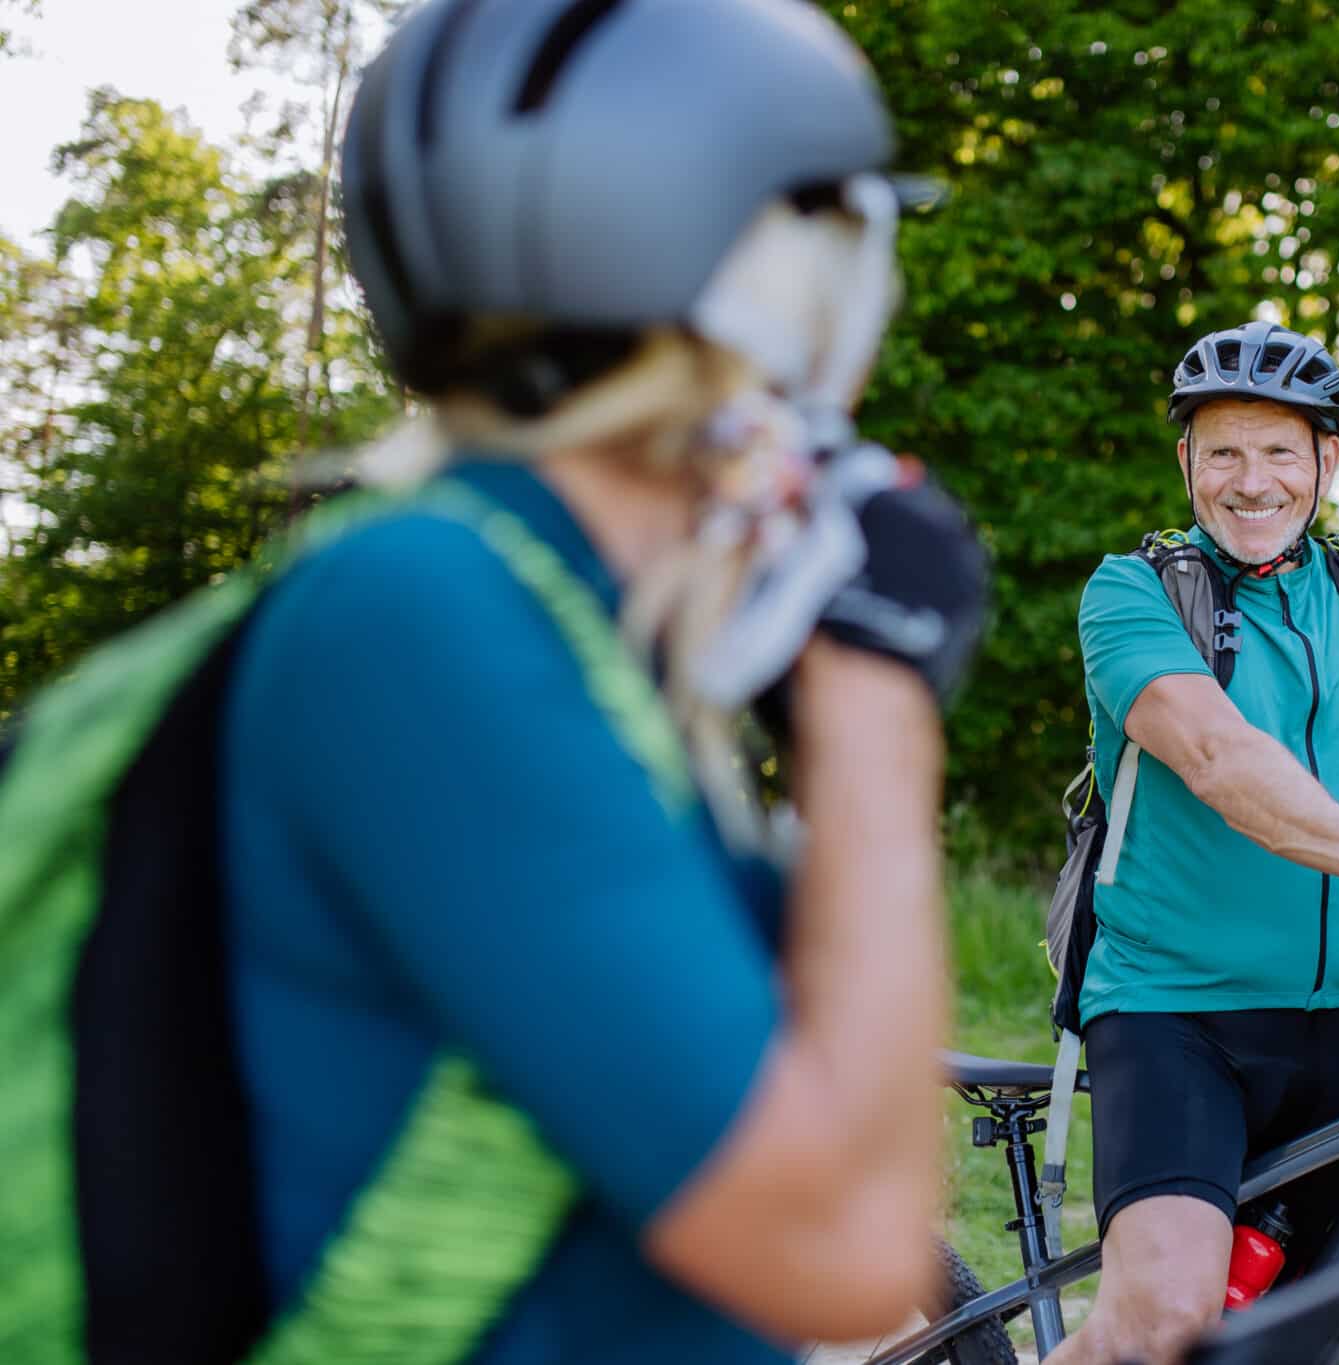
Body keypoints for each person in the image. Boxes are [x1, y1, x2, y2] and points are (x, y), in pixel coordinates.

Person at [219, 0, 981, 1360]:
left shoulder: (569, 633)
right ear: (764, 272)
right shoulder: (429, 617)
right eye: (849, 236)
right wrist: (874, 692)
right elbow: (854, 1250)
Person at [1044, 321, 1339, 1365]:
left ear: (1326, 459)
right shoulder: (1132, 593)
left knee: (1281, 1336)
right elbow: (1220, 761)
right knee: (1163, 1321)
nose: (1249, 480)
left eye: (1278, 450)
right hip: (1169, 1010)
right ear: (1185, 462)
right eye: (1221, 450)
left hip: (1326, 1025)